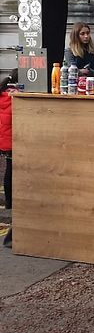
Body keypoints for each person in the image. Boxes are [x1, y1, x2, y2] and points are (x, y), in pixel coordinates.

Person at [1, 69, 18, 247]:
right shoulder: (15, 98)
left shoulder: (2, 95)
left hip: (4, 142)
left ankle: (8, 201)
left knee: (9, 170)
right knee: (13, 171)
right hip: (13, 141)